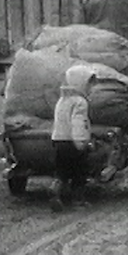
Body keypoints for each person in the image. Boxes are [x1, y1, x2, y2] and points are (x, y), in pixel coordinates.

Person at [50, 67, 115, 210]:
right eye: (88, 84)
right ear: (80, 83)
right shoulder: (80, 102)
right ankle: (77, 201)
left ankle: (55, 191)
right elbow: (78, 123)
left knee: (62, 171)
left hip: (58, 141)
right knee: (79, 172)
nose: (90, 87)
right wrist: (82, 143)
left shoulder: (62, 100)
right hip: (73, 143)